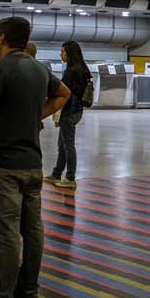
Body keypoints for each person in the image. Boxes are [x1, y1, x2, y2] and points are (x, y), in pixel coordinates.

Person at [0, 17, 70, 298]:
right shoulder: (39, 68)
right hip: (33, 164)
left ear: (0, 38)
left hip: (4, 165)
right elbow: (64, 94)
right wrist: (37, 114)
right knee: (33, 231)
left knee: (7, 233)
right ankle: (29, 294)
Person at [48, 41, 91, 191]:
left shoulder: (70, 72)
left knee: (68, 145)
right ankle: (56, 174)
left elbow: (63, 93)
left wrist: (56, 112)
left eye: (63, 52)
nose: (61, 54)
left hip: (69, 112)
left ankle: (70, 178)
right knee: (63, 144)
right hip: (77, 110)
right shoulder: (82, 69)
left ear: (69, 53)